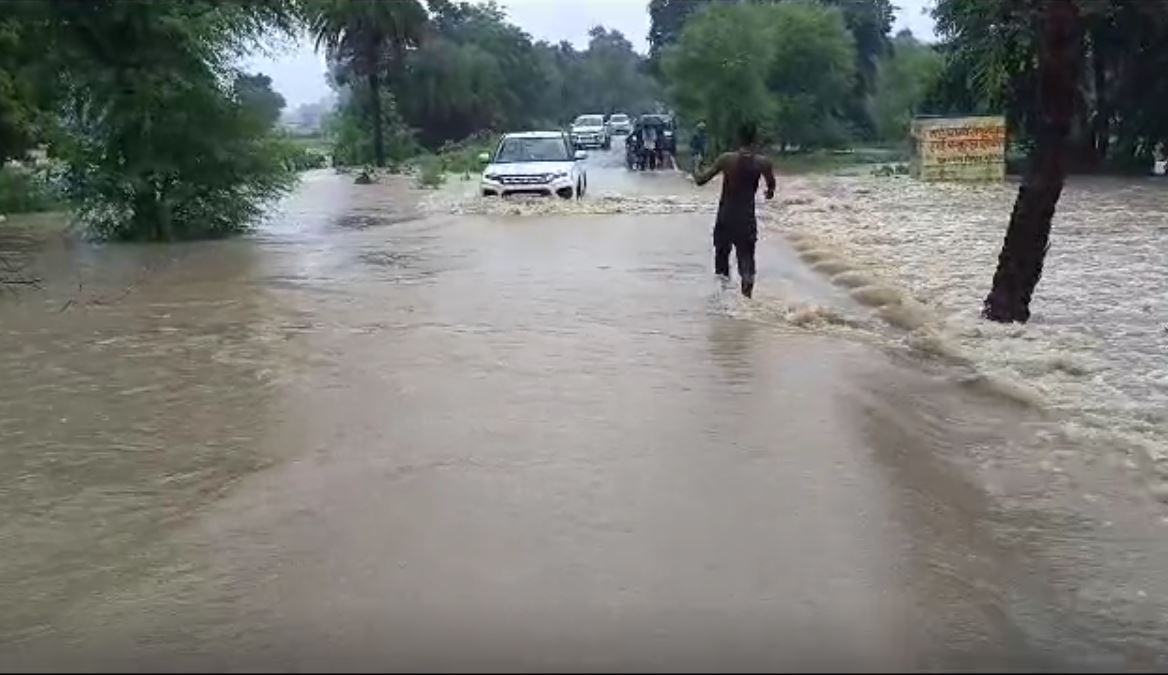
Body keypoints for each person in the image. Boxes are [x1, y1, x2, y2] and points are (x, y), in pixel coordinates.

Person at [693, 122, 776, 298]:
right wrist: (768, 192)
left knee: (721, 259)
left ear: (738, 139)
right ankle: (746, 301)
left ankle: (723, 302)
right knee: (747, 262)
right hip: (746, 218)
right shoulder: (763, 163)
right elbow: (771, 190)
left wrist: (696, 166)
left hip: (726, 216)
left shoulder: (726, 159)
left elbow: (700, 180)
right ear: (756, 139)